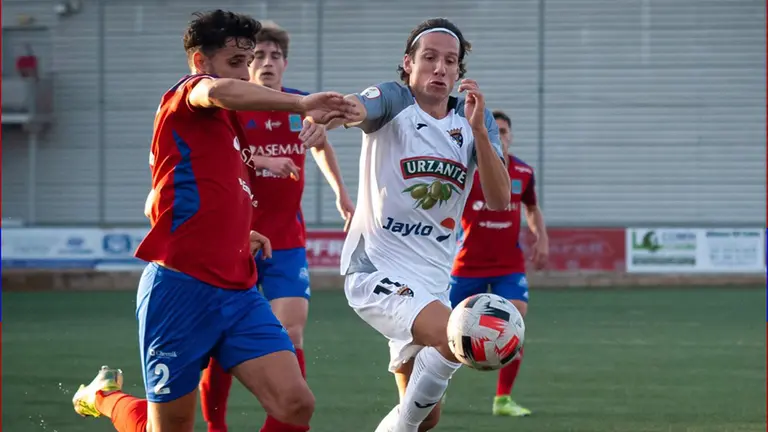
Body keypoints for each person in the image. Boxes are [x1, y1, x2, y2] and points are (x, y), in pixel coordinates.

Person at [70, 10, 358, 432]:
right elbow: (218, 92)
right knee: (168, 429)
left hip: (238, 290)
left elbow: (201, 190)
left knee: (295, 404)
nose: (247, 73)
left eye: (250, 62)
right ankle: (103, 396)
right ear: (201, 63)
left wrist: (240, 231)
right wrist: (299, 102)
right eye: (237, 63)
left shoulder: (229, 126)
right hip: (180, 289)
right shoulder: (187, 95)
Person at [325, 18, 511, 432]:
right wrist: (333, 116)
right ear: (408, 63)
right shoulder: (394, 101)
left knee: (426, 419)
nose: (440, 68)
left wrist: (481, 131)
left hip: (430, 283)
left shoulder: (471, 119)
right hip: (376, 270)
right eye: (429, 58)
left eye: (450, 61)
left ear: (459, 71)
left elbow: (500, 201)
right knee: (456, 337)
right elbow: (357, 107)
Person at [199, 22, 355, 432]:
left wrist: (341, 192)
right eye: (259, 57)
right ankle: (217, 427)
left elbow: (319, 143)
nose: (267, 63)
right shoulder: (231, 107)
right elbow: (216, 161)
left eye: (274, 56)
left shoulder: (301, 104)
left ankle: (281, 422)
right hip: (238, 239)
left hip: (286, 238)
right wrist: (263, 162)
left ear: (285, 63)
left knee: (292, 331)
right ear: (249, 65)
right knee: (221, 344)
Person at [449, 109, 549, 417]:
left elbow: (532, 208)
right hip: (466, 265)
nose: (501, 136)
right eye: (498, 131)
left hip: (509, 265)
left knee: (515, 321)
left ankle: (503, 399)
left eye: (505, 132)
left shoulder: (523, 172)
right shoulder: (467, 169)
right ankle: (427, 393)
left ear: (510, 137)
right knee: (442, 332)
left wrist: (541, 237)